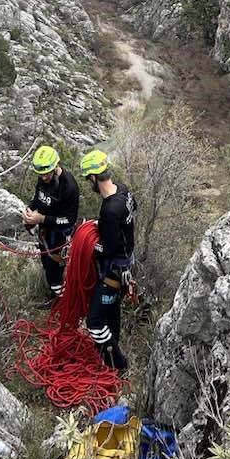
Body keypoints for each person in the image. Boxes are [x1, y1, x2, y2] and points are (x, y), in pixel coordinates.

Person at [80, 149, 137, 374]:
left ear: (94, 177)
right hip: (125, 262)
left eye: (89, 179)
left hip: (114, 270)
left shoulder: (111, 210)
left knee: (94, 321)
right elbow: (131, 214)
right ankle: (112, 348)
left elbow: (108, 249)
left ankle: (118, 364)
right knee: (112, 312)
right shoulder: (124, 191)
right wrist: (99, 226)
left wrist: (85, 243)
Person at [22, 145, 80, 301]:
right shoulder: (43, 177)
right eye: (40, 174)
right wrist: (30, 210)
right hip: (45, 233)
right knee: (46, 266)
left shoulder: (69, 187)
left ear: (56, 167)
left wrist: (41, 219)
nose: (43, 178)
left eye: (46, 174)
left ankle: (63, 303)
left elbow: (69, 220)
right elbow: (38, 198)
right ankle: (55, 299)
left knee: (54, 275)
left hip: (60, 236)